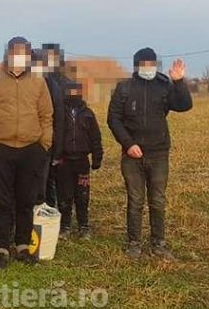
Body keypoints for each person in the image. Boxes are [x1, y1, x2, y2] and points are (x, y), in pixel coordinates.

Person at [0, 37, 53, 269]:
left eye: (23, 53)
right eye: (15, 52)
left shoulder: (38, 82)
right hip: (0, 149)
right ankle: (2, 248)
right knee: (2, 199)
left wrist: (43, 145)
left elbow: (47, 116)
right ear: (7, 54)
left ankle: (23, 246)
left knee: (26, 199)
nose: (19, 57)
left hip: (31, 150)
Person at [107, 47, 192, 261]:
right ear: (137, 66)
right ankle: (134, 243)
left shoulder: (164, 86)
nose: (148, 68)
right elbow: (113, 119)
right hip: (132, 155)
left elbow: (184, 105)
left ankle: (159, 244)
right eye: (144, 64)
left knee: (158, 200)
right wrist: (128, 144)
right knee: (135, 200)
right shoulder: (124, 88)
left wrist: (179, 82)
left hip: (159, 153)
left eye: (152, 64)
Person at [51, 81, 103, 239]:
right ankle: (65, 226)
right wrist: (54, 157)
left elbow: (95, 137)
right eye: (70, 92)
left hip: (82, 162)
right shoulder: (59, 114)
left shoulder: (88, 114)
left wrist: (97, 157)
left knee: (82, 195)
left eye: (76, 92)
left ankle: (83, 225)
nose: (73, 95)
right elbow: (54, 135)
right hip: (64, 162)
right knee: (64, 195)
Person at [40, 43, 69, 207]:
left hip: (59, 140)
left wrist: (60, 146)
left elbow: (64, 117)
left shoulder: (66, 84)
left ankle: (57, 215)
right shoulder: (36, 79)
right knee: (42, 182)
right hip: (41, 141)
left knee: (58, 183)